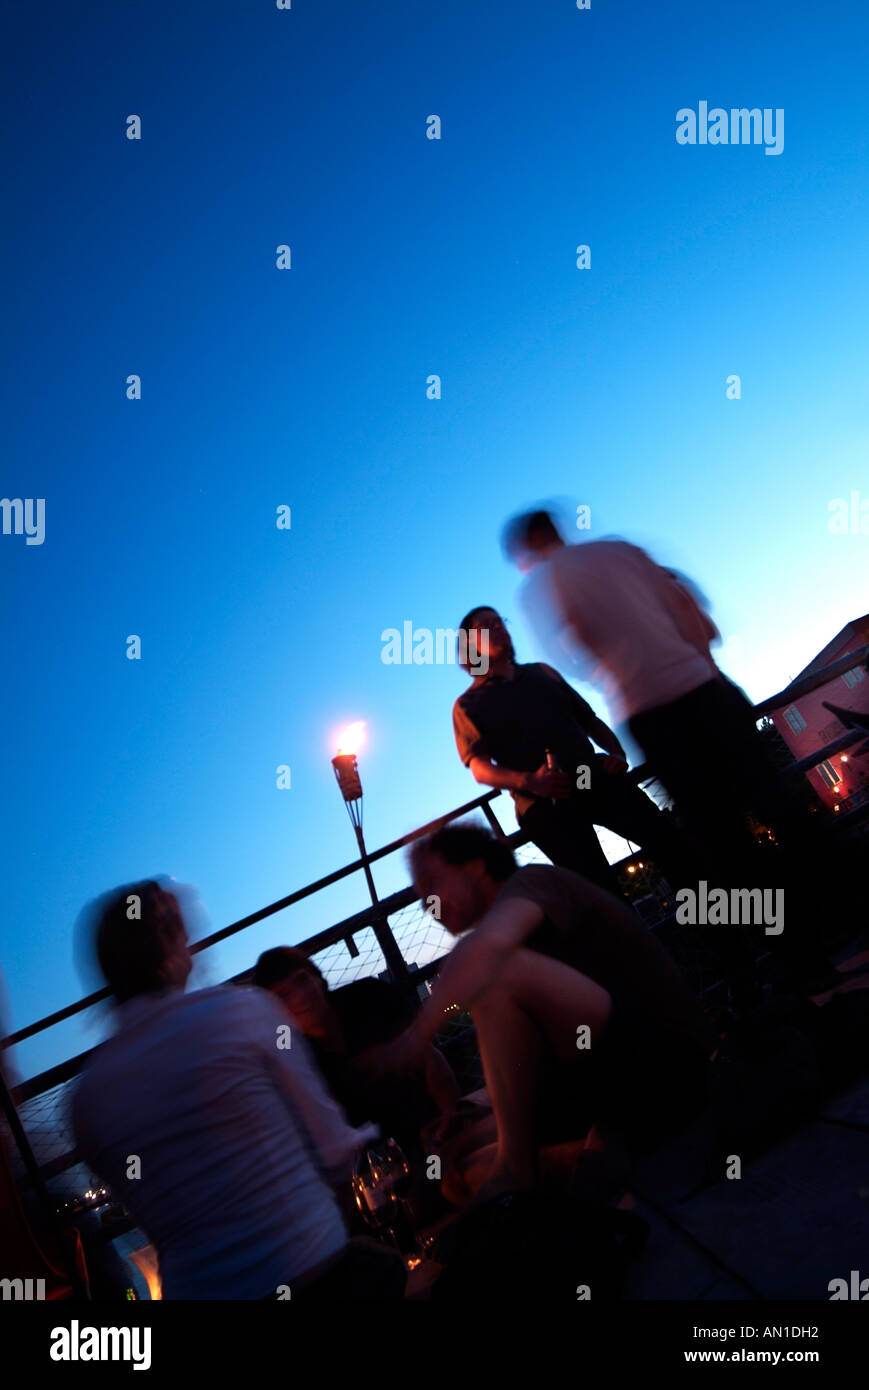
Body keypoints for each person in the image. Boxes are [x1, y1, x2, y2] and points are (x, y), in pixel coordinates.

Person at [502, 509, 838, 993]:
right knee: (780, 804)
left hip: (651, 711)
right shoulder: (619, 550)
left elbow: (573, 656)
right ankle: (845, 910)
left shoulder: (540, 586)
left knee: (725, 840)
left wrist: (614, 671)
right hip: (705, 688)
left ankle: (802, 962)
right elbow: (687, 609)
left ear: (526, 552)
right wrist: (700, 666)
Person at [72, 880, 405, 1300]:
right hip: (318, 1274)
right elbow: (336, 1151)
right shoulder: (244, 1011)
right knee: (386, 1263)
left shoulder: (87, 1100)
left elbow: (140, 1207)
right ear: (174, 944)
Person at [367, 824, 715, 1210]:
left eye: (431, 881)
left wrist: (414, 1039)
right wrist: (472, 1120)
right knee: (458, 1172)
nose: (426, 903)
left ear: (476, 869)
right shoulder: (508, 939)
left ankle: (531, 1169)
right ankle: (589, 1158)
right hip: (611, 1087)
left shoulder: (532, 884)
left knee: (491, 969)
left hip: (668, 1067)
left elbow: (485, 954)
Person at [452, 605, 701, 898]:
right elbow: (480, 768)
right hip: (545, 803)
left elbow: (590, 721)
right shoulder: (468, 705)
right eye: (486, 626)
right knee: (599, 891)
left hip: (590, 774)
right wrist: (530, 782)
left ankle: (722, 935)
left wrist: (617, 754)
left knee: (668, 841)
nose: (497, 627)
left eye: (499, 621)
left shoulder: (542, 672)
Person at [252, 947, 461, 1155]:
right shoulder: (293, 1056)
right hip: (377, 1161)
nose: (300, 997)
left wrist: (450, 1117)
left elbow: (428, 1058)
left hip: (435, 1126)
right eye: (284, 995)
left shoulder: (369, 997)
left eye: (302, 980)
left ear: (318, 979)